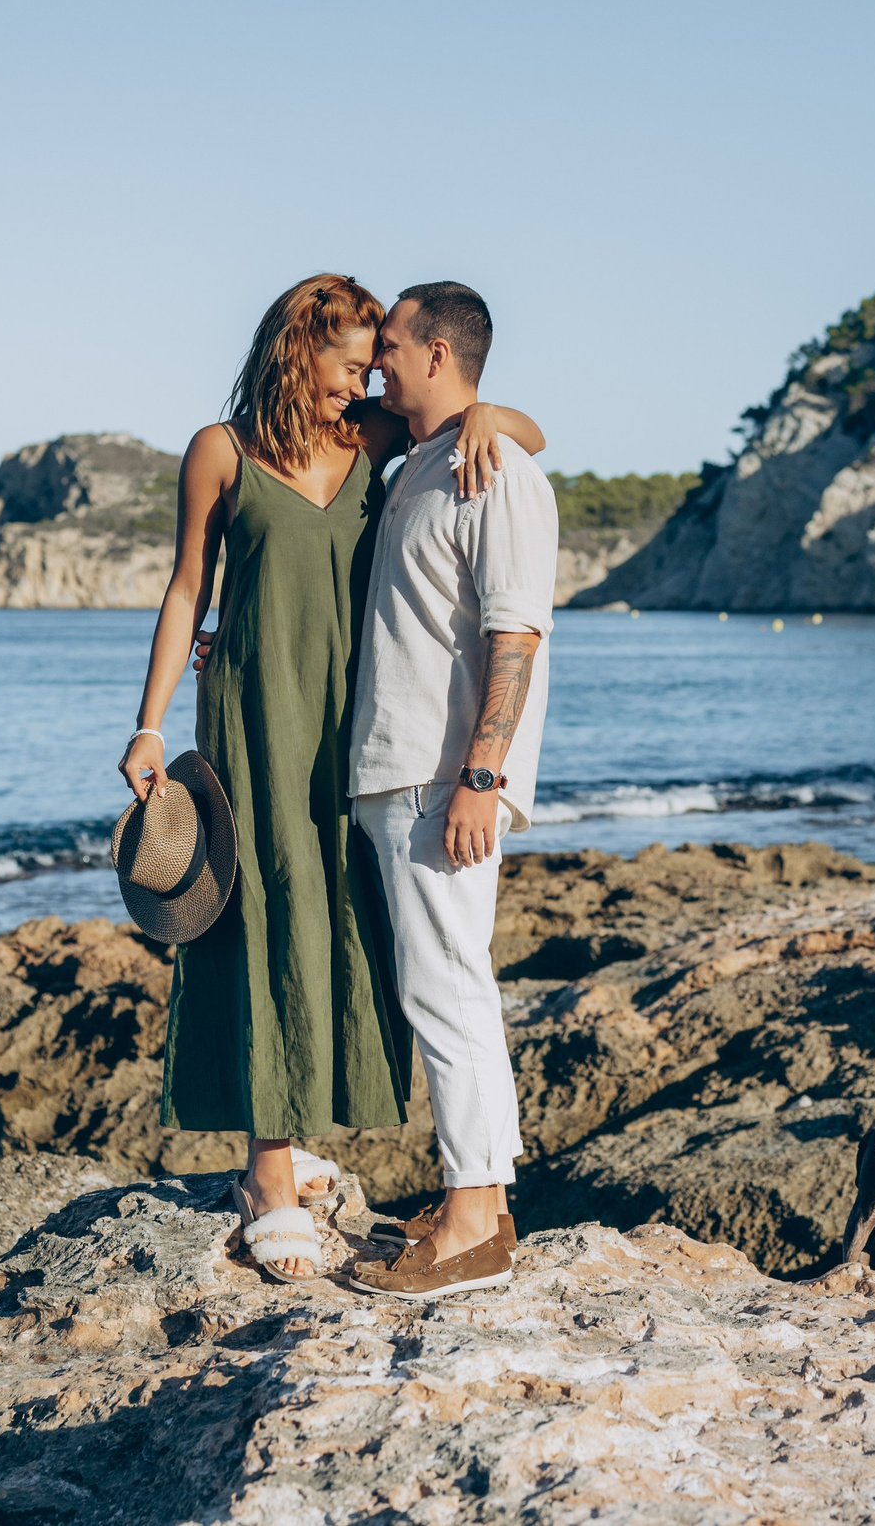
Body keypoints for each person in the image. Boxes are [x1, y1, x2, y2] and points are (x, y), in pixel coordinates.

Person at [117, 272, 546, 1281]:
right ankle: (267, 1172)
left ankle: (313, 1133)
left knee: (342, 925)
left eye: (374, 359)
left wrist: (484, 409)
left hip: (361, 728)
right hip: (256, 720)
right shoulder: (221, 451)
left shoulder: (377, 445)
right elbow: (188, 588)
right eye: (350, 359)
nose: (363, 378)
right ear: (296, 349)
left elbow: (522, 436)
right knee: (259, 921)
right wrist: (147, 722)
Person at [345, 282, 559, 1301]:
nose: (377, 360)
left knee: (449, 989)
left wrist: (483, 775)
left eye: (390, 345)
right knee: (440, 984)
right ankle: (480, 1197)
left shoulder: (494, 470)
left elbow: (514, 632)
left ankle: (475, 1222)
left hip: (444, 776)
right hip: (399, 767)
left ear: (437, 351)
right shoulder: (428, 455)